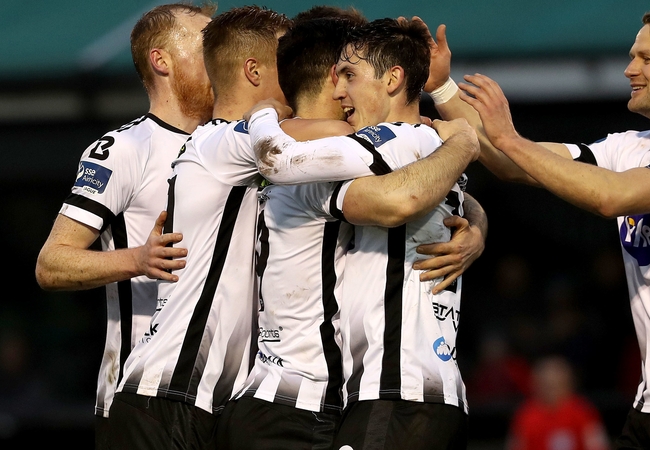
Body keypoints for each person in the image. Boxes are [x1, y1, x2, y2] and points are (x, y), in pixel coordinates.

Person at [425, 7, 650, 449]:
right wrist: (441, 87)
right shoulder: (629, 147)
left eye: (646, 58)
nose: (630, 68)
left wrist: (511, 138)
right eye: (632, 57)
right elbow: (517, 163)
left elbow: (613, 196)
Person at [214, 11, 486, 450]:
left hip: (395, 393)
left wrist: (262, 115)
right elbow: (423, 190)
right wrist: (478, 220)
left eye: (350, 75)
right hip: (420, 393)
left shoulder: (396, 140)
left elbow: (280, 162)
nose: (340, 91)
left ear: (392, 79)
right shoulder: (432, 148)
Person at [105, 7, 292, 449]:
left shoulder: (230, 139)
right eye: (290, 61)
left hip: (221, 400)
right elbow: (49, 263)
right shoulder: (215, 142)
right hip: (164, 392)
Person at [34, 3, 215, 448]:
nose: (221, 58)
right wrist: (138, 258)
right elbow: (51, 264)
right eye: (207, 46)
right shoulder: (125, 148)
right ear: (162, 60)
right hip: (142, 399)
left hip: (228, 398)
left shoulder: (240, 143)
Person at [507, 354, 610, 450]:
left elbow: (599, 446)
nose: (551, 391)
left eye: (556, 386)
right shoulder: (525, 414)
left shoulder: (584, 411)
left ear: (568, 384)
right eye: (546, 385)